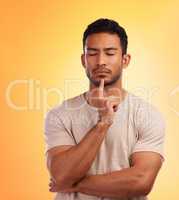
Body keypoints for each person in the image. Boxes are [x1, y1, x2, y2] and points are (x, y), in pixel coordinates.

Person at [44, 18, 165, 200]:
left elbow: (141, 181)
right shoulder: (59, 115)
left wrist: (73, 183)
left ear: (125, 60)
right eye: (92, 53)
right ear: (84, 60)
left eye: (110, 53)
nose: (101, 61)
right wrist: (103, 123)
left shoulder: (148, 115)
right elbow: (61, 174)